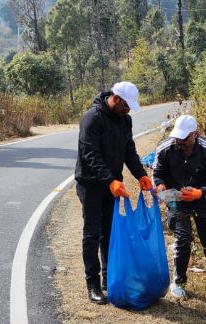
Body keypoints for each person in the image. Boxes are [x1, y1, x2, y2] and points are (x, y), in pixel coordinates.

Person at [75, 81, 152, 304]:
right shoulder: (92, 118)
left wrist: (140, 174)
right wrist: (110, 180)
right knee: (91, 233)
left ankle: (111, 278)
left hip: (112, 185)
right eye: (127, 106)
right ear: (116, 99)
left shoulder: (124, 120)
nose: (129, 111)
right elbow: (90, 154)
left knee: (108, 232)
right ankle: (93, 284)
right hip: (90, 184)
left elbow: (129, 150)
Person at [152, 114, 206, 298]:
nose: (180, 141)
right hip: (176, 198)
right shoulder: (166, 147)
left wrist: (200, 193)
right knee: (183, 238)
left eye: (184, 138)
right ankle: (178, 281)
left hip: (202, 197)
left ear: (196, 134)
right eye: (178, 137)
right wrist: (160, 186)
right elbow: (157, 172)